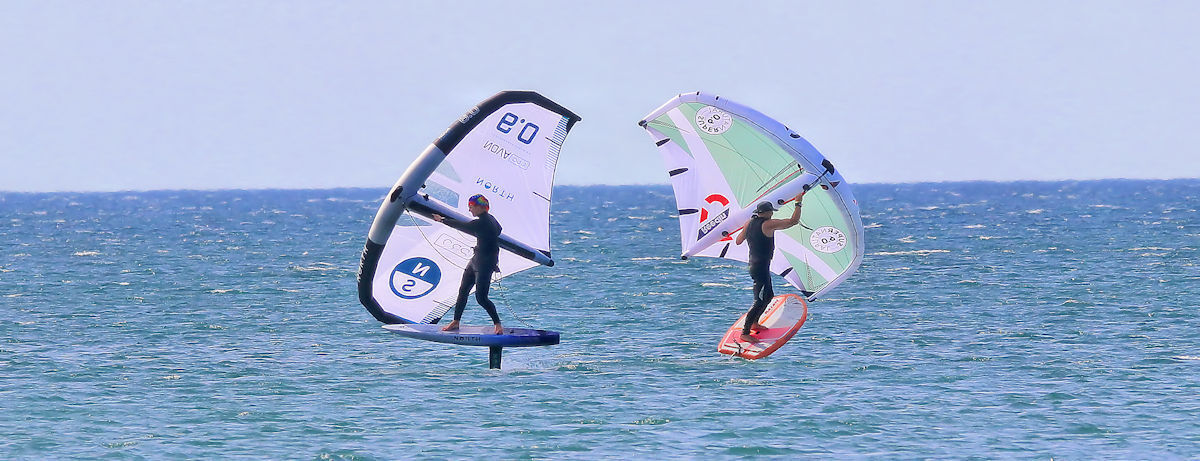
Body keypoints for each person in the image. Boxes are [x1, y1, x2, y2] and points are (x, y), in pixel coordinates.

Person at [733, 188, 808, 342]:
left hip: (755, 265)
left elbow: (738, 240)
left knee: (768, 296)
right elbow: (793, 221)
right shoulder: (768, 224)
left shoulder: (749, 223)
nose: (772, 214)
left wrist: (749, 230)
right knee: (759, 300)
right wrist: (798, 203)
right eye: (771, 212)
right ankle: (745, 333)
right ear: (767, 213)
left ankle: (754, 323)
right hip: (760, 267)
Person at [432, 194, 504, 334]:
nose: (469, 210)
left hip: (485, 264)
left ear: (479, 207)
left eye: (471, 207)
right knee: (463, 291)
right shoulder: (491, 219)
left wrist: (442, 220)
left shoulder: (482, 222)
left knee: (481, 298)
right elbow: (499, 230)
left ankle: (498, 324)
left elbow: (463, 226)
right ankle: (456, 321)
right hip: (476, 260)